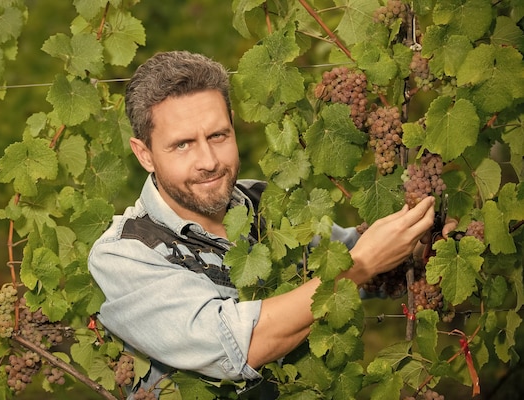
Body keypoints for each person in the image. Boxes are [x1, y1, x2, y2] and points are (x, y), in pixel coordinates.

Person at [88, 50, 454, 398]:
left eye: (218, 135)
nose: (209, 161)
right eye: (182, 145)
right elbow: (236, 345)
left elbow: (345, 257)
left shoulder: (263, 202)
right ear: (144, 154)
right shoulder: (125, 252)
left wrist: (424, 242)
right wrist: (363, 265)